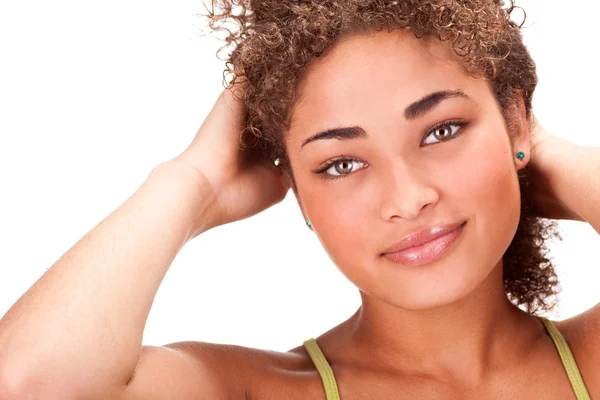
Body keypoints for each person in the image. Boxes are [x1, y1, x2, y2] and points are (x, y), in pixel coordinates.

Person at [0, 0, 598, 398]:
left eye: (441, 130)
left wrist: (545, 155)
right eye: (341, 163)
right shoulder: (256, 392)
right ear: (298, 194)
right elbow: (29, 385)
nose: (408, 198)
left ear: (515, 116)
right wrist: (191, 182)